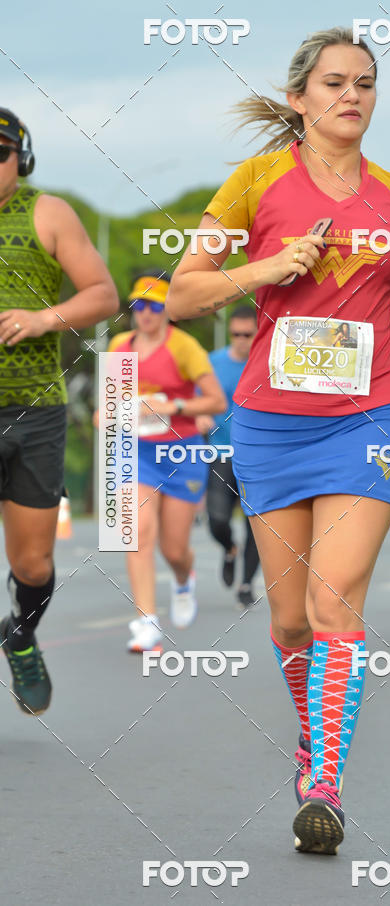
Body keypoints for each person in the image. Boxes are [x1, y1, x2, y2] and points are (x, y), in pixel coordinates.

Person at [166, 27, 390, 854]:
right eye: (334, 83)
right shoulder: (255, 181)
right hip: (271, 421)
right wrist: (264, 271)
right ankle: (315, 735)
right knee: (292, 621)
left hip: (372, 414)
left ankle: (324, 782)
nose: (352, 96)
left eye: (365, 84)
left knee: (337, 601)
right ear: (299, 98)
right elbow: (183, 292)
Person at [0, 107, 118, 714]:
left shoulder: (48, 212)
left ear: (20, 159)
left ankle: (21, 636)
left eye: (0, 154)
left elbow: (103, 295)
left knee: (34, 561)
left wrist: (43, 318)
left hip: (34, 412)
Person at [107, 272, 226, 652]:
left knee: (173, 548)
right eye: (139, 305)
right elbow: (109, 403)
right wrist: (104, 415)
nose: (145, 313)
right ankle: (146, 622)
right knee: (138, 531)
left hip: (181, 452)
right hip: (136, 452)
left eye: (154, 306)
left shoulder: (184, 347)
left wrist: (173, 405)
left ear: (167, 311)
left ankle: (182, 576)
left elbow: (216, 402)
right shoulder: (118, 346)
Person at [196, 305, 261, 609]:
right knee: (217, 520)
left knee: (256, 525)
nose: (241, 340)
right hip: (221, 453)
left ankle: (246, 584)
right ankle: (229, 548)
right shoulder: (212, 363)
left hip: (260, 456)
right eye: (236, 334)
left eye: (248, 334)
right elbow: (199, 402)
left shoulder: (269, 363)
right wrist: (201, 417)